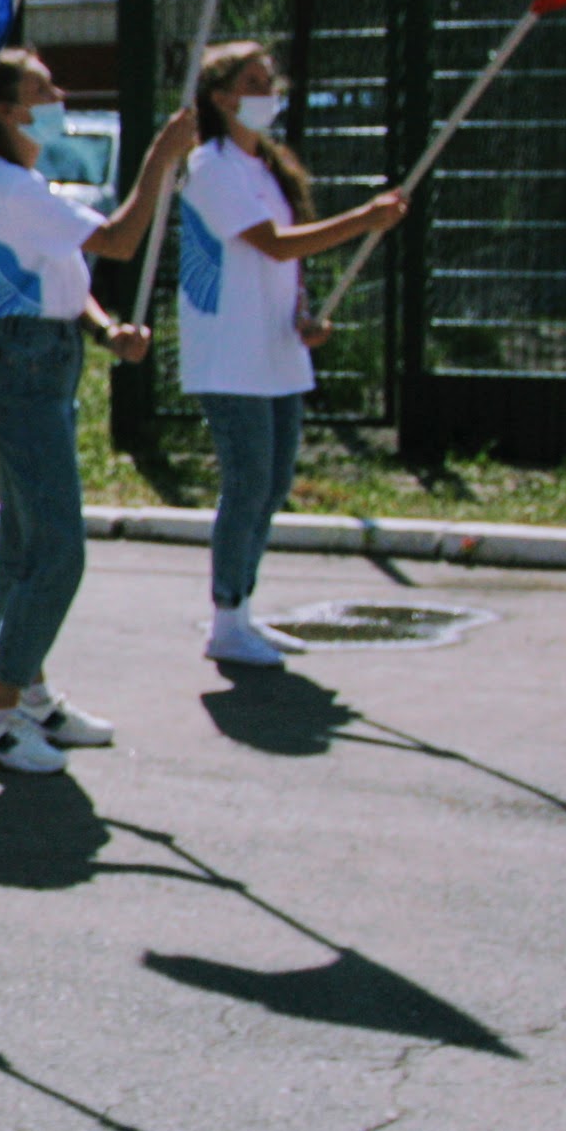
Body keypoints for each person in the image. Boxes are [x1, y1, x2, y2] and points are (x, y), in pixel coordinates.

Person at [0, 51, 186, 774]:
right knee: (58, 551)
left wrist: (104, 328)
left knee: (25, 549)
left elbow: (62, 275)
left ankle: (28, 696)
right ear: (7, 112)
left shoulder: (23, 185)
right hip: (28, 370)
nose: (60, 95)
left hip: (41, 361)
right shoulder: (10, 186)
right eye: (43, 89)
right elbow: (119, 240)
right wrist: (161, 156)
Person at [170, 42, 406, 667]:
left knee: (272, 486)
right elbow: (273, 244)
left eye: (269, 81)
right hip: (228, 354)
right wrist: (364, 219)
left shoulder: (267, 167)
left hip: (275, 349)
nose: (267, 93)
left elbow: (284, 261)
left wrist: (303, 314)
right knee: (246, 483)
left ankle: (243, 612)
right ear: (221, 97)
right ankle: (225, 620)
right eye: (253, 82)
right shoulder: (209, 165)